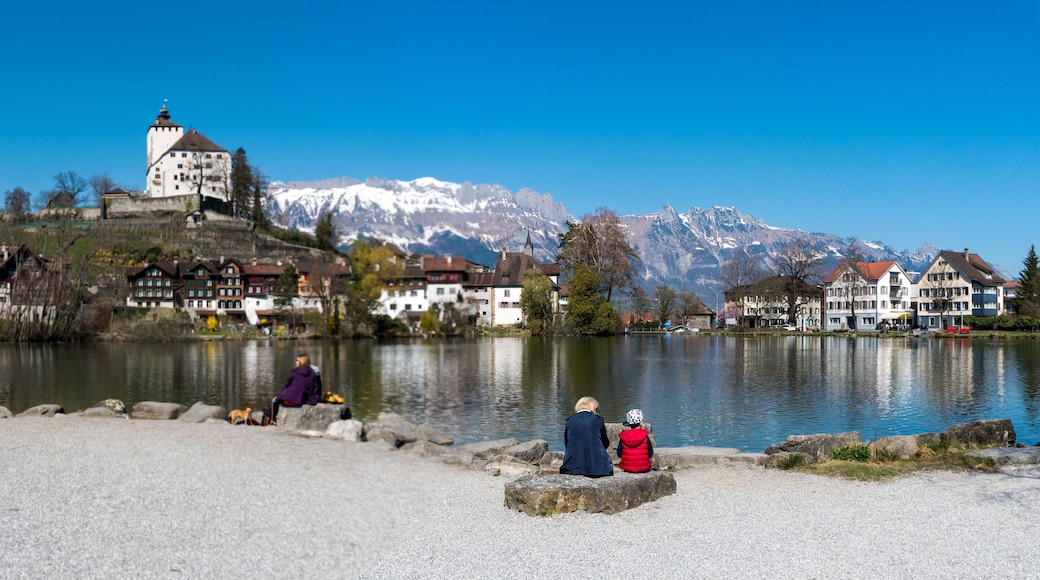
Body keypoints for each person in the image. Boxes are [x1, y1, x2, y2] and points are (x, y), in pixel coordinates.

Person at [559, 396, 613, 478]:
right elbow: (605, 443)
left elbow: (567, 443)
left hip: (572, 467)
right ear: (594, 407)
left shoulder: (570, 421)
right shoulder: (597, 420)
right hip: (597, 468)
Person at [263, 353, 321, 425]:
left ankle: (270, 420)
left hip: (289, 400)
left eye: (297, 360)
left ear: (301, 362)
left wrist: (279, 396)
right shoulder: (313, 374)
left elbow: (287, 386)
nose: (295, 362)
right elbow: (315, 390)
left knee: (273, 401)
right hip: (302, 399)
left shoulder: (294, 372)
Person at [617, 408, 654, 473]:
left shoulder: (624, 436)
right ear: (641, 422)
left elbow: (619, 454)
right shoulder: (645, 436)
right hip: (644, 468)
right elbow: (650, 453)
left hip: (627, 468)